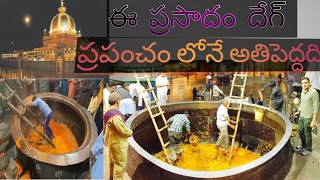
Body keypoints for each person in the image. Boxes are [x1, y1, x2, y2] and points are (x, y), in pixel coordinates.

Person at [104, 92, 133, 180]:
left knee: (113, 161)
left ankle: (111, 178)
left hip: (112, 140)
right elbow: (122, 130)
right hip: (118, 143)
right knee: (120, 165)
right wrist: (130, 132)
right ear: (117, 101)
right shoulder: (115, 115)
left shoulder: (109, 111)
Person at [294, 77, 319, 156]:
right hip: (302, 115)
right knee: (300, 131)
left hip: (309, 117)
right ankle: (303, 145)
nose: (304, 84)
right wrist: (298, 111)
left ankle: (308, 149)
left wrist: (314, 121)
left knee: (307, 133)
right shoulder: (303, 91)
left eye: (305, 82)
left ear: (309, 83)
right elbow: (302, 103)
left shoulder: (314, 92)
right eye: (302, 83)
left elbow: (316, 108)